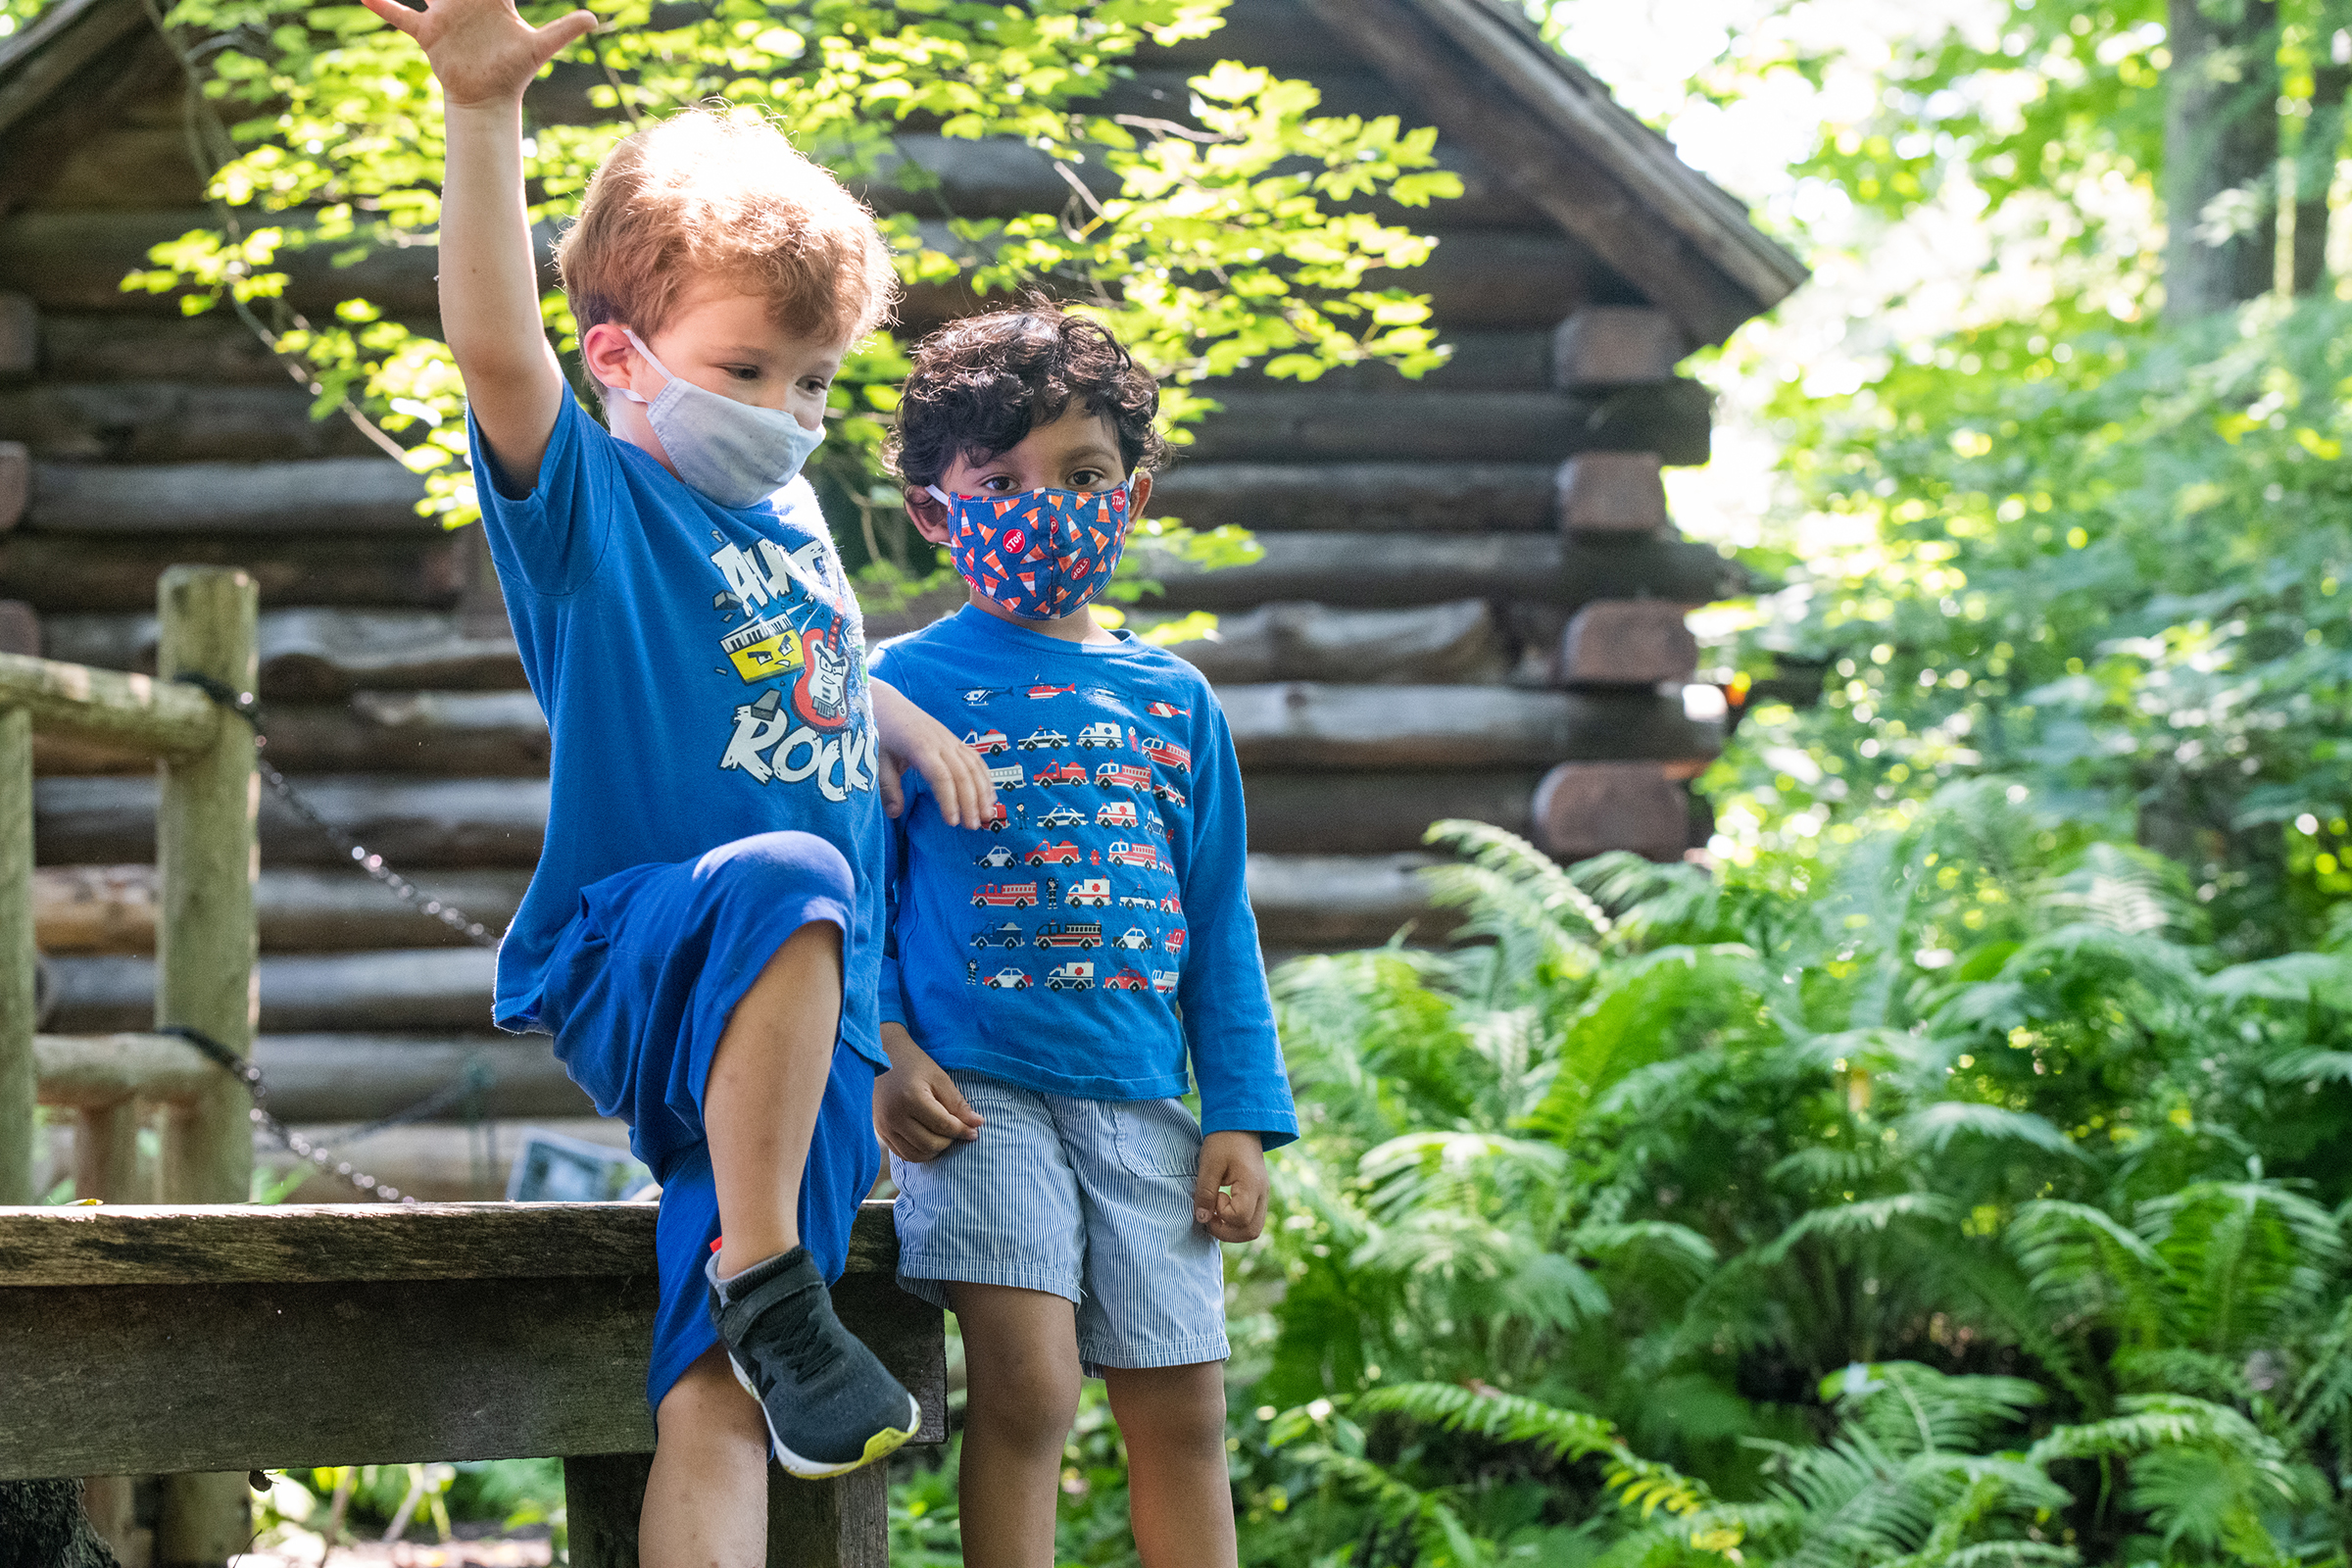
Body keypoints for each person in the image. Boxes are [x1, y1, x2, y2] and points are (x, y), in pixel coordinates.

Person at [352, 0, 996, 1559]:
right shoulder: (593, 505)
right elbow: (496, 344)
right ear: (622, 357)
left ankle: (757, 1299)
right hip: (643, 944)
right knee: (787, 882)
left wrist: (890, 1022)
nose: (786, 412)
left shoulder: (799, 529)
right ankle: (775, 1278)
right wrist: (482, 113)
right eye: (748, 368)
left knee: (723, 1393)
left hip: (812, 1042)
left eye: (816, 382)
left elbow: (829, 744)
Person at [868, 305, 1299, 1568]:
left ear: (1135, 497)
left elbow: (1219, 921)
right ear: (937, 510)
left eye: (1082, 476)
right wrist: (885, 1045)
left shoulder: (1177, 700)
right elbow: (863, 897)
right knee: (1029, 1393)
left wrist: (1240, 1114)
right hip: (978, 1101)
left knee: (1185, 1410)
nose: (1044, 505)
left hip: (1146, 1105)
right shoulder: (889, 689)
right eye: (999, 481)